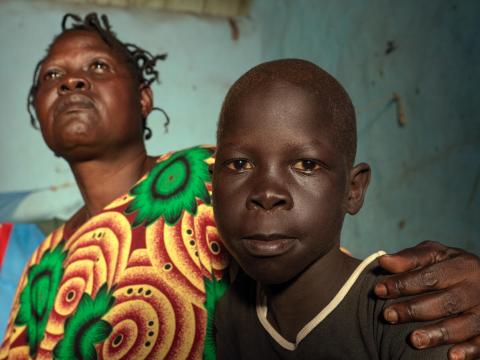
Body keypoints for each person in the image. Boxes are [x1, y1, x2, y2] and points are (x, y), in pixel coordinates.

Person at [0, 12, 479, 360]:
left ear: (144, 98)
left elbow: (324, 275)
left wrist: (452, 293)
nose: (72, 84)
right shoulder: (41, 265)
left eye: (98, 67)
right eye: (52, 76)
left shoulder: (206, 177)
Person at [212, 59, 479, 359]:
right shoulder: (233, 313)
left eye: (306, 165)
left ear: (353, 190)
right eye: (239, 164)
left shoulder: (405, 312)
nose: (267, 193)